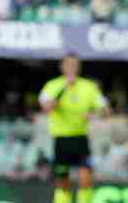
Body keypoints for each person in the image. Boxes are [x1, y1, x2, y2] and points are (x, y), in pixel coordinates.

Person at [38, 54, 109, 203]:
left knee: (85, 179)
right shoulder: (52, 85)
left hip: (80, 138)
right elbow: (46, 107)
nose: (72, 67)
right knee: (63, 184)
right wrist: (64, 88)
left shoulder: (88, 86)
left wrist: (94, 114)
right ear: (62, 66)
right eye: (68, 64)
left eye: (75, 64)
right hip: (61, 140)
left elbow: (105, 110)